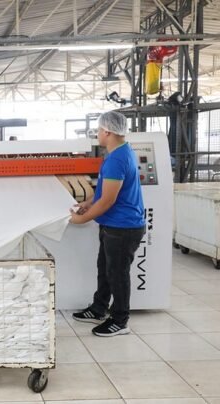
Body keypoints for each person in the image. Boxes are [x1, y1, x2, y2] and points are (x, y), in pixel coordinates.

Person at [69, 111, 145, 337]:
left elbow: (108, 200)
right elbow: (104, 191)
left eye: (98, 130)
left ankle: (120, 320)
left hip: (123, 227)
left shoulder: (117, 159)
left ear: (108, 131)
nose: (97, 134)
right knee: (105, 269)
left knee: (117, 274)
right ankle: (99, 308)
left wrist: (81, 219)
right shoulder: (118, 153)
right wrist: (88, 202)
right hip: (114, 224)